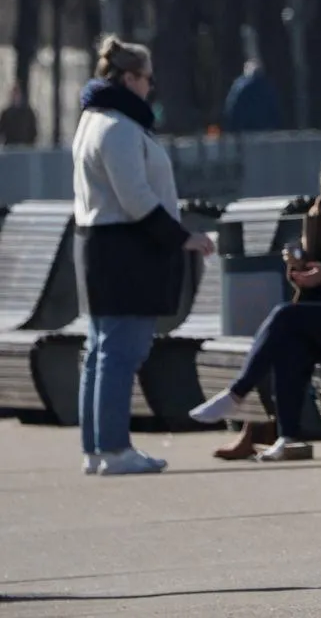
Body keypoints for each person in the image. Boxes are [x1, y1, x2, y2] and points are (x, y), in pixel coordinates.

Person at [188, 137, 321, 460]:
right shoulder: (320, 212)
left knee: (285, 318)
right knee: (290, 344)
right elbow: (310, 267)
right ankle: (288, 438)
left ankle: (237, 393)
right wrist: (298, 267)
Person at [71, 36, 217, 475]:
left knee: (101, 349)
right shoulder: (116, 127)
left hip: (101, 244)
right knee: (120, 350)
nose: (151, 88)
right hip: (125, 249)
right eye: (147, 79)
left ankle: (97, 449)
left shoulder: (93, 121)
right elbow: (135, 196)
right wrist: (181, 237)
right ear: (129, 77)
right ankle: (115, 450)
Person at [221, 60, 284, 133]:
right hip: (265, 130)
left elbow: (230, 109)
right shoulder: (267, 86)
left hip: (244, 132)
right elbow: (275, 110)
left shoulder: (238, 86)